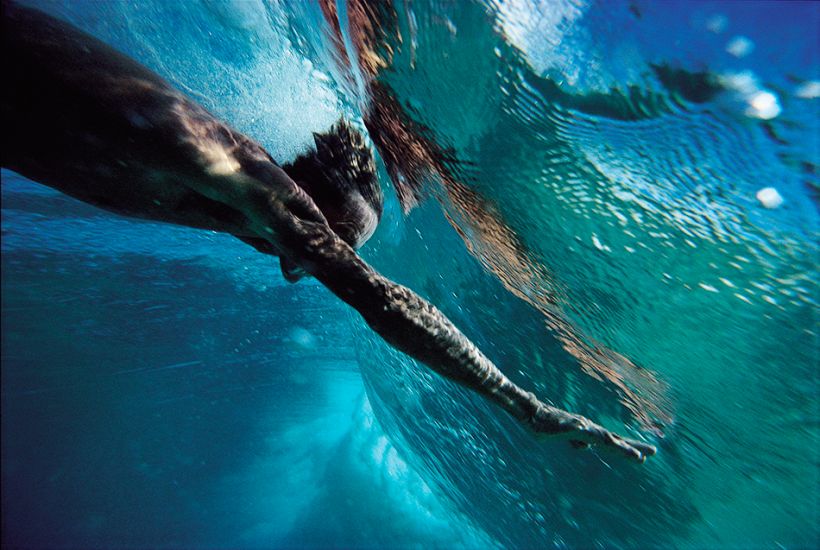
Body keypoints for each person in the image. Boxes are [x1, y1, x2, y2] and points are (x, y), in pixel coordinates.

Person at [1, 1, 656, 461]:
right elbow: (380, 299)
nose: (293, 268)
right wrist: (522, 405)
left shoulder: (206, 196)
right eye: (318, 243)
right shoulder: (225, 165)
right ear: (296, 200)